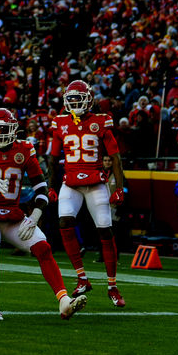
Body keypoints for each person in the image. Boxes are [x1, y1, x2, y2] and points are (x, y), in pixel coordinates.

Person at [0, 108, 87, 320]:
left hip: (13, 215)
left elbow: (41, 188)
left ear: (14, 130)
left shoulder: (25, 149)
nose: (0, 133)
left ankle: (64, 301)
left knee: (43, 248)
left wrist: (35, 216)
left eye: (4, 128)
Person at [48, 80, 126, 307]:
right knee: (64, 221)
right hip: (70, 182)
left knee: (105, 229)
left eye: (77, 98)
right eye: (70, 99)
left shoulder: (100, 121)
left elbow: (117, 157)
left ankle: (112, 286)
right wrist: (51, 186)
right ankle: (82, 277)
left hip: (95, 182)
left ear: (89, 99)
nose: (74, 102)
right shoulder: (60, 122)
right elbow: (53, 159)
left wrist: (119, 188)